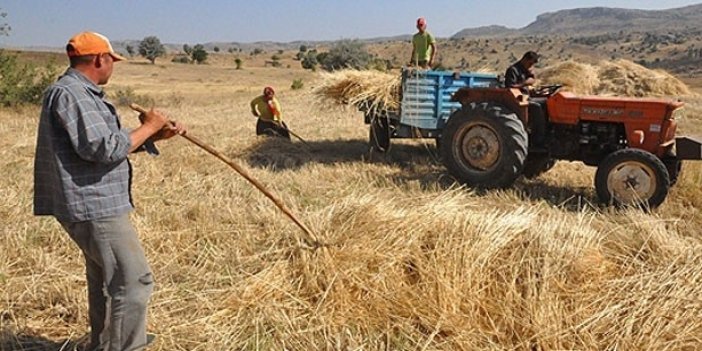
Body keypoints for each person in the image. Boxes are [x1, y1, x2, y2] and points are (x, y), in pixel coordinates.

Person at [33, 31, 186, 351]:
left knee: (106, 281)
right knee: (134, 281)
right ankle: (125, 346)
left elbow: (108, 147)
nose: (112, 67)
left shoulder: (78, 93)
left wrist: (156, 136)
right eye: (112, 61)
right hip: (94, 205)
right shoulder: (72, 93)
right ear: (100, 59)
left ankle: (105, 343)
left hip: (92, 203)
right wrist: (149, 126)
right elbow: (102, 148)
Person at [504, 51, 546, 149]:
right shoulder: (513, 70)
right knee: (536, 107)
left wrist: (532, 76)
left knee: (546, 102)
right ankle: (537, 140)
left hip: (527, 97)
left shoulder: (526, 70)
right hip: (517, 100)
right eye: (530, 63)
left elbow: (532, 80)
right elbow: (510, 88)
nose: (531, 66)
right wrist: (524, 83)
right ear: (524, 59)